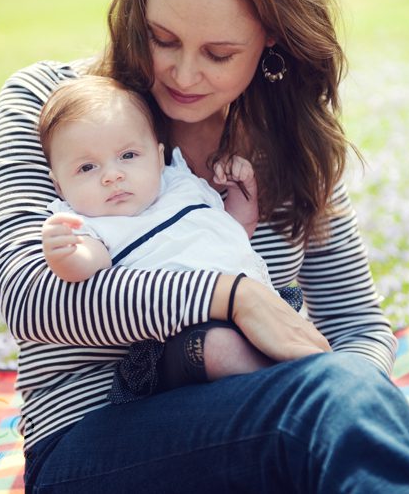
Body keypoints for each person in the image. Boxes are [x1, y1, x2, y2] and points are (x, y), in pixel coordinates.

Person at [0, 0, 409, 494]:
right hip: (94, 446)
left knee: (343, 405)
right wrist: (232, 295)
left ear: (272, 39)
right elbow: (32, 302)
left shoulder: (289, 145)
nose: (183, 74)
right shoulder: (51, 104)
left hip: (269, 426)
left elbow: (358, 325)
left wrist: (343, 386)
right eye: (163, 39)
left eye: (219, 53)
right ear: (137, 9)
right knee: (327, 406)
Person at [39, 76, 279, 390]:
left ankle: (295, 372)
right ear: (59, 185)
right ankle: (284, 379)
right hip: (180, 341)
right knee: (222, 349)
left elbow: (234, 231)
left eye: (128, 156)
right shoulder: (90, 223)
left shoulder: (181, 185)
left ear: (158, 155)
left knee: (295, 332)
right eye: (87, 168)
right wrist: (63, 253)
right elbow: (87, 265)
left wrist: (243, 194)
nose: (113, 175)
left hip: (262, 306)